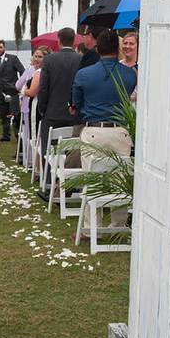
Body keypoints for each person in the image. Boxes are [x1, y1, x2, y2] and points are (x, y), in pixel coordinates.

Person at [71, 29, 137, 231]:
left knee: (93, 179)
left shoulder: (84, 74)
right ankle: (118, 223)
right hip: (120, 131)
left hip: (94, 130)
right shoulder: (129, 74)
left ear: (98, 48)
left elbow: (76, 104)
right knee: (120, 178)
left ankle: (93, 228)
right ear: (118, 48)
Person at [36, 27, 83, 199]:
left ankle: (49, 185)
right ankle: (72, 184)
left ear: (59, 40)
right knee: (73, 151)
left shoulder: (49, 60)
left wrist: (42, 109)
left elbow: (44, 88)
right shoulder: (81, 59)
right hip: (74, 114)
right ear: (74, 41)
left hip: (52, 113)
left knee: (49, 149)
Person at [16, 46, 50, 167]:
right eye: (35, 56)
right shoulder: (33, 69)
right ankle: (32, 161)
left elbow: (29, 90)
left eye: (40, 56)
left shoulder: (39, 71)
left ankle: (35, 164)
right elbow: (18, 84)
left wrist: (24, 91)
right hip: (30, 106)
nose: (36, 58)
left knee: (34, 136)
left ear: (46, 58)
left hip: (36, 106)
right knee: (30, 135)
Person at [0, 39, 25, 142]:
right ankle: (5, 136)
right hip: (0, 93)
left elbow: (23, 72)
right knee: (4, 115)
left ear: (4, 48)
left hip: (13, 92)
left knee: (16, 115)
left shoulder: (13, 59)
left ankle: (19, 137)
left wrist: (21, 87)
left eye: (0, 47)